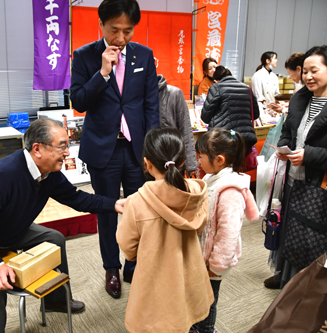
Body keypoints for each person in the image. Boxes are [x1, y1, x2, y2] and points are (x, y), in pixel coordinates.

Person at [0, 118, 126, 333]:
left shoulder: (50, 174)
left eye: (67, 146)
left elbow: (77, 198)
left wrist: (114, 203)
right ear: (37, 149)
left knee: (55, 239)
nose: (67, 153)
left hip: (8, 229)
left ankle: (55, 301)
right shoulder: (2, 176)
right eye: (62, 146)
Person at [70, 0, 160, 299]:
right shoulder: (84, 56)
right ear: (101, 25)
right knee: (107, 211)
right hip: (103, 150)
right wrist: (103, 73)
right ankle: (112, 268)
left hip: (136, 150)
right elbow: (79, 102)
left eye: (128, 31)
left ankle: (133, 261)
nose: (121, 38)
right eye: (114, 30)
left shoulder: (144, 55)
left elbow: (150, 105)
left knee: (139, 210)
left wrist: (152, 150)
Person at [264, 45, 327, 290]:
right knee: (290, 232)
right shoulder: (300, 99)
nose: (307, 76)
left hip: (323, 187)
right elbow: (288, 131)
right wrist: (285, 148)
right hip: (294, 181)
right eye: (304, 71)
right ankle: (287, 279)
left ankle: (307, 289)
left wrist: (309, 156)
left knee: (314, 240)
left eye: (314, 70)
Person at [116, 127, 214, 333]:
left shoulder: (136, 202)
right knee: (185, 319)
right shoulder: (197, 192)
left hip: (154, 282)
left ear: (147, 163)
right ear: (181, 162)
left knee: (157, 323)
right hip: (190, 276)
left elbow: (127, 247)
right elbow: (201, 224)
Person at [191, 128, 259, 333]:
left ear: (219, 160)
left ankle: (207, 329)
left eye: (201, 157)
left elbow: (228, 233)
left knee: (209, 299)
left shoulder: (229, 191)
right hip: (203, 254)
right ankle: (196, 326)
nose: (199, 161)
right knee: (199, 296)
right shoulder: (213, 179)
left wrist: (217, 265)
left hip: (214, 261)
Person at [201, 65, 260, 151]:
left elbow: (205, 117)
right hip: (245, 138)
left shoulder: (216, 87)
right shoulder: (247, 88)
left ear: (216, 80)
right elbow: (255, 114)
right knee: (240, 164)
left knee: (223, 163)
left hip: (223, 138)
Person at [157, 74, 198, 177]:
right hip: (147, 163)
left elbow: (185, 129)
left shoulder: (174, 93)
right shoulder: (136, 94)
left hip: (173, 160)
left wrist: (191, 164)